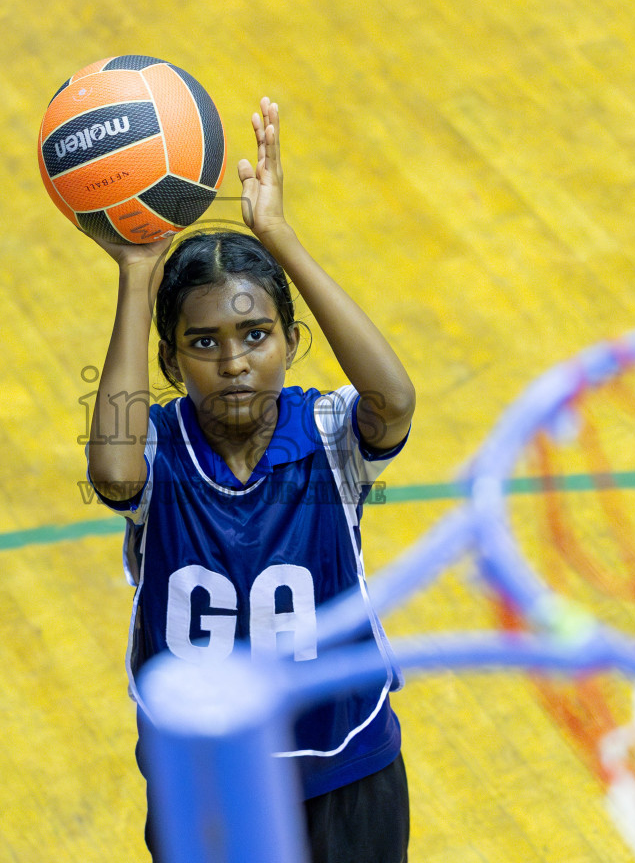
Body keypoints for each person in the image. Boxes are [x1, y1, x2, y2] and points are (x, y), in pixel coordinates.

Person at [85, 97, 415, 863]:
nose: (234, 359)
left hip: (344, 763)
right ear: (170, 364)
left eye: (256, 333)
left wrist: (282, 238)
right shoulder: (159, 450)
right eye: (204, 341)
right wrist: (138, 274)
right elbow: (110, 470)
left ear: (291, 343)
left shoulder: (329, 434)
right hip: (208, 776)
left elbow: (393, 400)